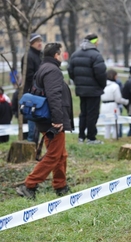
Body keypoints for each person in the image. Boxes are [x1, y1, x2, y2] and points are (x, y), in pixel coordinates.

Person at [16, 42, 74, 200]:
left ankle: (60, 185)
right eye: (60, 53)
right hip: (51, 121)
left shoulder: (43, 68)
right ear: (56, 55)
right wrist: (57, 120)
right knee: (54, 155)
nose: (62, 56)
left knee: (61, 154)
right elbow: (54, 96)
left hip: (45, 119)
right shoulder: (52, 70)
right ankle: (29, 185)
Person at [68, 33, 107, 144]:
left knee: (83, 113)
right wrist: (101, 86)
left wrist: (78, 83)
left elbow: (71, 72)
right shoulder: (96, 56)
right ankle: (91, 138)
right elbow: (101, 74)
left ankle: (81, 136)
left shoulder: (75, 55)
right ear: (94, 42)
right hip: (94, 91)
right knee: (92, 114)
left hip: (81, 90)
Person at [21, 33, 43, 142]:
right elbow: (29, 76)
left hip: (39, 94)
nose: (40, 43)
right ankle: (31, 143)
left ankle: (35, 144)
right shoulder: (28, 56)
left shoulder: (40, 55)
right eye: (37, 41)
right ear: (31, 43)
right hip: (32, 94)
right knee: (32, 120)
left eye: (40, 41)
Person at [100, 69, 129, 139]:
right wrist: (126, 102)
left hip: (103, 106)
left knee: (107, 126)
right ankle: (115, 139)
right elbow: (118, 99)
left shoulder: (102, 85)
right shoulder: (115, 86)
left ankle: (106, 139)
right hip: (113, 107)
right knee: (116, 126)